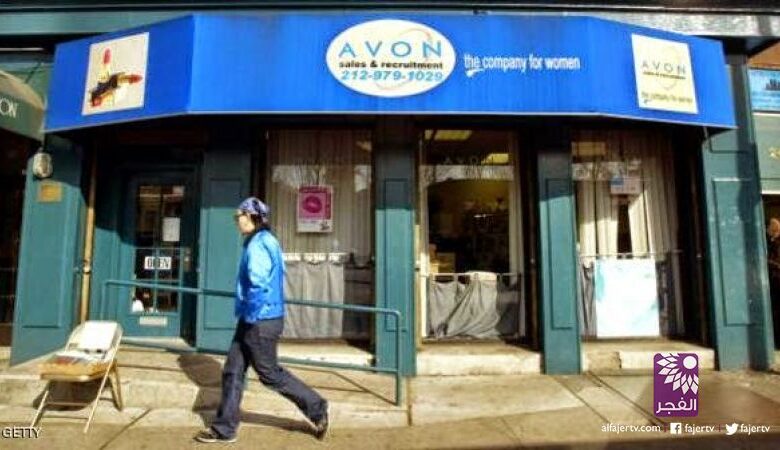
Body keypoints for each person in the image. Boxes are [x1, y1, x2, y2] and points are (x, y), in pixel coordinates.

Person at [195, 197, 329, 443]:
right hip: (256, 318)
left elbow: (258, 284)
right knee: (233, 370)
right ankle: (224, 428)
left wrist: (252, 316)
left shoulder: (258, 245)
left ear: (251, 216)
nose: (236, 221)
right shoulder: (267, 240)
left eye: (239, 216)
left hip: (258, 320)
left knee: (270, 374)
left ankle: (317, 408)